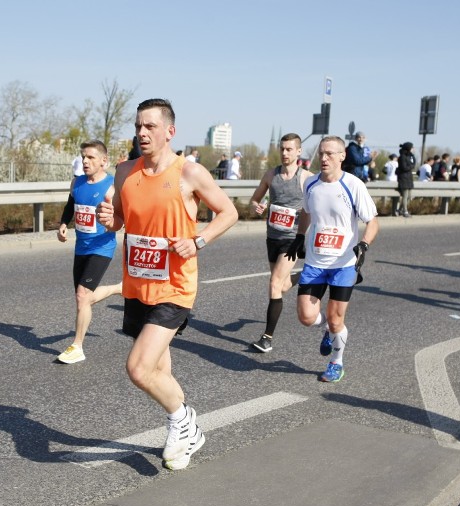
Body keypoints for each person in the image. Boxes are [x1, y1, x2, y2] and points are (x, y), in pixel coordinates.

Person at [95, 98, 238, 470]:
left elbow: (229, 211)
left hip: (175, 286)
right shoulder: (125, 171)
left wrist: (198, 241)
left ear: (169, 131)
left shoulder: (189, 173)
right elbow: (121, 222)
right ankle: (185, 429)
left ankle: (184, 422)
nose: (142, 133)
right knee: (160, 372)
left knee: (139, 369)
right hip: (139, 284)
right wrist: (108, 217)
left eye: (150, 127)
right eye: (138, 126)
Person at [285, 135, 379, 383]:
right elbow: (306, 211)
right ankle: (328, 329)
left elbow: (372, 222)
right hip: (316, 263)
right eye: (321, 153)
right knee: (306, 316)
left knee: (337, 318)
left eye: (329, 154)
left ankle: (336, 362)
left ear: (342, 156)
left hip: (343, 263)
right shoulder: (311, 184)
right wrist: (300, 236)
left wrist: (364, 244)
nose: (324, 158)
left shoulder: (353, 185)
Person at [56, 140, 122, 364]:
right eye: (83, 156)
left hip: (102, 247)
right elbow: (70, 205)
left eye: (91, 157)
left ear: (104, 161)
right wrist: (64, 224)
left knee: (82, 295)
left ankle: (77, 346)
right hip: (81, 247)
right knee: (82, 299)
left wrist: (113, 220)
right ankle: (119, 288)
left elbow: (123, 217)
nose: (85, 161)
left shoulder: (113, 186)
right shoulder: (77, 182)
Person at [247, 132, 312, 353]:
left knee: (274, 284)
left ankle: (267, 338)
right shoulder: (270, 175)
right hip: (272, 237)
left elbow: (318, 204)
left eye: (289, 149)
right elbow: (254, 199)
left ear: (299, 151)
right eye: (282, 149)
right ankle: (305, 275)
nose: (285, 153)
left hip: (292, 239)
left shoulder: (306, 178)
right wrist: (256, 206)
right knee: (282, 285)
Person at [396, 142, 416, 217]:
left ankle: (399, 210)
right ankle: (405, 211)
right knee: (405, 195)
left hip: (409, 178)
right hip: (403, 178)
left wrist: (413, 157)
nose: (413, 149)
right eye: (412, 148)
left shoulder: (409, 156)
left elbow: (412, 164)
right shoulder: (402, 157)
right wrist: (411, 166)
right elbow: (404, 167)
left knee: (409, 196)